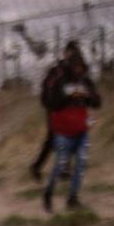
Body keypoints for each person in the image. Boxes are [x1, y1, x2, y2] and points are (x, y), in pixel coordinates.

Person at [42, 51, 102, 212]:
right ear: (70, 67)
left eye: (81, 67)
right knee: (61, 165)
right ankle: (48, 192)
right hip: (63, 131)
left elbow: (97, 102)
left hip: (81, 130)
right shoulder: (60, 82)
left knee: (81, 163)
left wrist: (88, 96)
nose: (78, 70)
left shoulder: (86, 82)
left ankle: (72, 198)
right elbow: (53, 104)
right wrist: (69, 96)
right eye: (75, 67)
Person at [30, 41, 82, 182]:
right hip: (55, 110)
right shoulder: (57, 70)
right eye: (70, 52)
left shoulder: (77, 71)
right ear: (65, 53)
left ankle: (63, 168)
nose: (72, 55)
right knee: (53, 139)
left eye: (75, 52)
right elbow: (46, 89)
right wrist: (51, 107)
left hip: (70, 110)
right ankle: (37, 167)